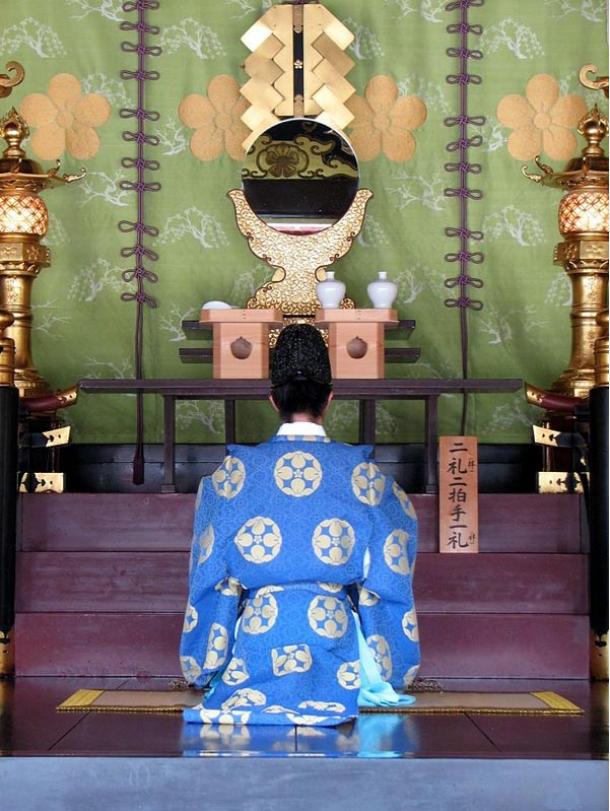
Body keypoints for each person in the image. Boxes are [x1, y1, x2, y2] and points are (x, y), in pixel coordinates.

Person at [180, 323, 419, 726]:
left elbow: (210, 579)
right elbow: (388, 577)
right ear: (330, 398)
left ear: (273, 400)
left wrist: (204, 663)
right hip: (336, 639)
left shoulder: (233, 475)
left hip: (256, 639)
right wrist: (393, 666)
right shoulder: (365, 475)